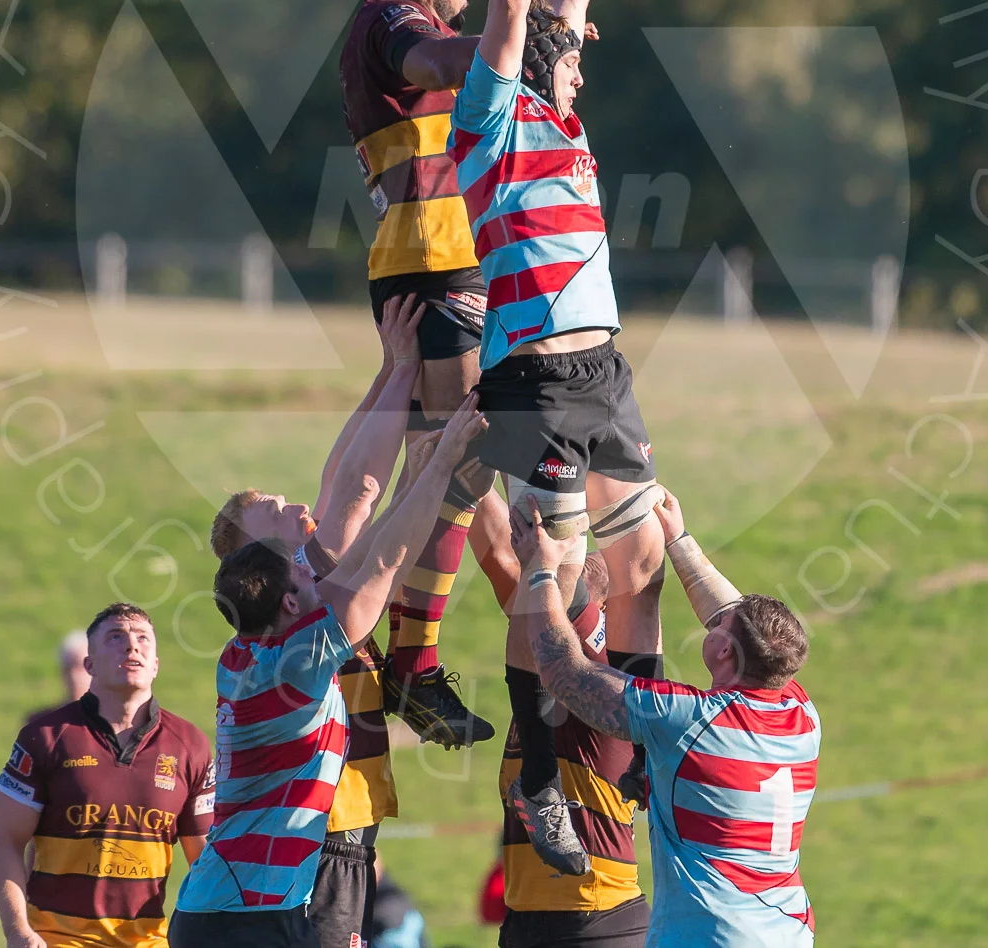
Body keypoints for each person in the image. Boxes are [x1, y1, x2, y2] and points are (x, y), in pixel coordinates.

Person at [447, 0, 665, 872]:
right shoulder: (488, 115)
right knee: (552, 569)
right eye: (570, 59)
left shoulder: (566, 115)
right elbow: (519, 1)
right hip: (531, 375)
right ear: (538, 64)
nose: (583, 64)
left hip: (603, 367)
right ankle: (540, 778)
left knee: (643, 557)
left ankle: (648, 738)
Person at [169, 395, 488, 948]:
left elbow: (368, 560)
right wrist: (440, 465)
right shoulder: (298, 662)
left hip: (236, 905)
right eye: (303, 579)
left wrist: (416, 476)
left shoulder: (243, 654)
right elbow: (381, 565)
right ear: (291, 606)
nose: (317, 578)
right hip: (247, 915)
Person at [210, 297, 457, 948]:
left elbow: (340, 477)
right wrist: (403, 371)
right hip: (326, 823)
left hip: (336, 817)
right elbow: (353, 489)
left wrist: (389, 371)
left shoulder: (296, 582)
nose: (290, 502)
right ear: (250, 551)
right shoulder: (302, 578)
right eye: (269, 508)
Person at [511, 489, 820, 947]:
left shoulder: (687, 720)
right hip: (787, 933)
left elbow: (563, 672)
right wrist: (679, 539)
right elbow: (741, 625)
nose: (713, 621)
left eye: (718, 626)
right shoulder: (800, 714)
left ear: (722, 650)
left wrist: (540, 572)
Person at [339, 0, 493, 748]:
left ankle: (401, 656)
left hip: (449, 258)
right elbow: (432, 59)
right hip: (433, 257)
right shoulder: (388, 19)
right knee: (456, 460)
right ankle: (408, 662)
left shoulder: (407, 18)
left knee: (453, 466)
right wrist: (512, 40)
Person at [471, 491, 650, 948]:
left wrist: (554, 529)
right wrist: (464, 461)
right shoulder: (534, 662)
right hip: (527, 920)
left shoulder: (599, 662)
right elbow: (496, 555)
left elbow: (565, 602)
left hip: (597, 917)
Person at [0, 604, 215, 948]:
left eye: (143, 639)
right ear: (89, 664)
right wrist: (17, 929)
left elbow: (206, 862)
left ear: (155, 664)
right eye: (115, 637)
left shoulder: (190, 746)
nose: (131, 646)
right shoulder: (45, 736)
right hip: (57, 940)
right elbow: (6, 840)